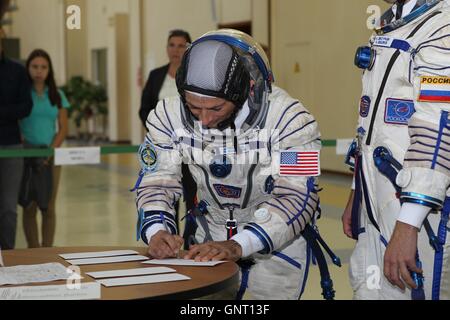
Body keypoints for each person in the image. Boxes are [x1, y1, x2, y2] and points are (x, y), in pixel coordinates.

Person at [134, 29, 327, 300]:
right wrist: (157, 230)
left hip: (275, 243)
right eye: (193, 108)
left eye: (215, 109)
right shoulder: (166, 116)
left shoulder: (291, 121)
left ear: (246, 90)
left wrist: (240, 244)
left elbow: (296, 195)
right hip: (207, 236)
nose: (203, 120)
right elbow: (157, 180)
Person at [343, 0, 450, 300]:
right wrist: (357, 191)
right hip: (378, 201)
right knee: (370, 288)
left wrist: (409, 224)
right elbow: (370, 124)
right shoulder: (396, 23)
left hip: (421, 213)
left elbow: (439, 129)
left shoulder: (442, 27)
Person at [139, 29, 197, 241]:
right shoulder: (156, 75)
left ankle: (192, 242)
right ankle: (168, 240)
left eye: (181, 45)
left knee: (194, 199)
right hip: (165, 148)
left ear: (189, 49)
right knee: (164, 197)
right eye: (172, 45)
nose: (176, 50)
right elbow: (144, 109)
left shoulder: (196, 75)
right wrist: (159, 130)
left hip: (192, 150)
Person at [20, 49, 70, 248]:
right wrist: (27, 147)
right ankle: (33, 251)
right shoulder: (22, 93)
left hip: (52, 157)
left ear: (49, 70)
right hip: (26, 155)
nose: (39, 71)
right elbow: (15, 122)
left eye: (43, 67)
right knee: (29, 205)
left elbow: (64, 128)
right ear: (28, 68)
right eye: (34, 67)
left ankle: (47, 250)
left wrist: (50, 151)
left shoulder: (57, 95)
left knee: (48, 206)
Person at [0, 0, 33, 250]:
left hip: (11, 146)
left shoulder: (17, 71)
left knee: (8, 208)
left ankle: (7, 256)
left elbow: (26, 106)